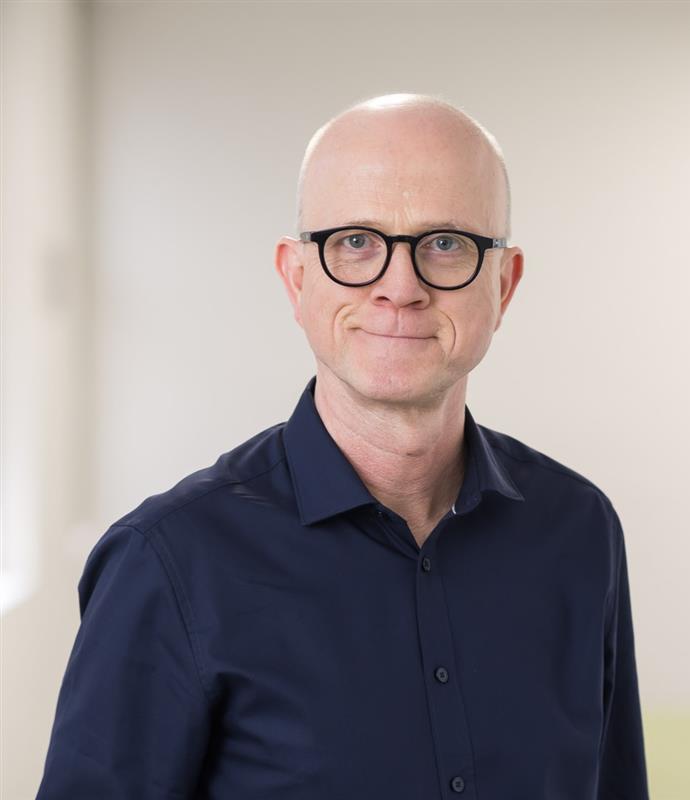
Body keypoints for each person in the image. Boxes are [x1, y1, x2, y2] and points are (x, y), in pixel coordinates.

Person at [35, 92, 650, 799]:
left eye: (446, 243)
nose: (400, 287)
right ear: (296, 278)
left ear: (503, 286)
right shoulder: (168, 561)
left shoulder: (579, 529)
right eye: (356, 242)